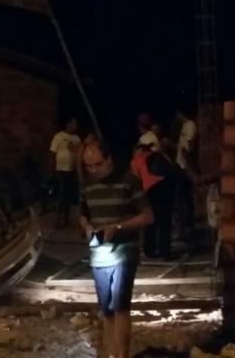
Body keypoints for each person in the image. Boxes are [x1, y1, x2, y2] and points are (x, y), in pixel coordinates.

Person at [79, 141, 154, 358]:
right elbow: (82, 213)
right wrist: (86, 225)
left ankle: (122, 355)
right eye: (89, 166)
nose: (94, 170)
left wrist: (118, 227)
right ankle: (111, 354)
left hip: (124, 249)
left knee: (120, 305)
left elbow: (148, 216)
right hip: (98, 253)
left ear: (109, 159)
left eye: (98, 164)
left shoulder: (128, 181)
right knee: (107, 310)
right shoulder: (87, 186)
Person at [131, 144, 175, 259]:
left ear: (137, 150)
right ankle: (165, 251)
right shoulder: (157, 155)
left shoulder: (136, 160)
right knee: (165, 220)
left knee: (150, 219)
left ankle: (149, 250)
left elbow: (135, 181)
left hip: (151, 189)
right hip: (167, 184)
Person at [49, 117, 81, 228]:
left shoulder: (77, 139)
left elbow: (78, 155)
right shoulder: (59, 137)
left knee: (68, 195)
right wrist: (52, 169)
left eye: (76, 124)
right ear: (67, 125)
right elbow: (53, 153)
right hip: (61, 170)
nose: (75, 126)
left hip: (71, 170)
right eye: (73, 124)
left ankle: (66, 219)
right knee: (62, 194)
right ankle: (57, 219)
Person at [174, 107, 198, 241]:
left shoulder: (190, 125)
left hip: (184, 167)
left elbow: (189, 146)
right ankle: (186, 230)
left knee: (184, 200)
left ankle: (187, 231)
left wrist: (190, 168)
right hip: (181, 165)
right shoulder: (186, 125)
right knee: (183, 200)